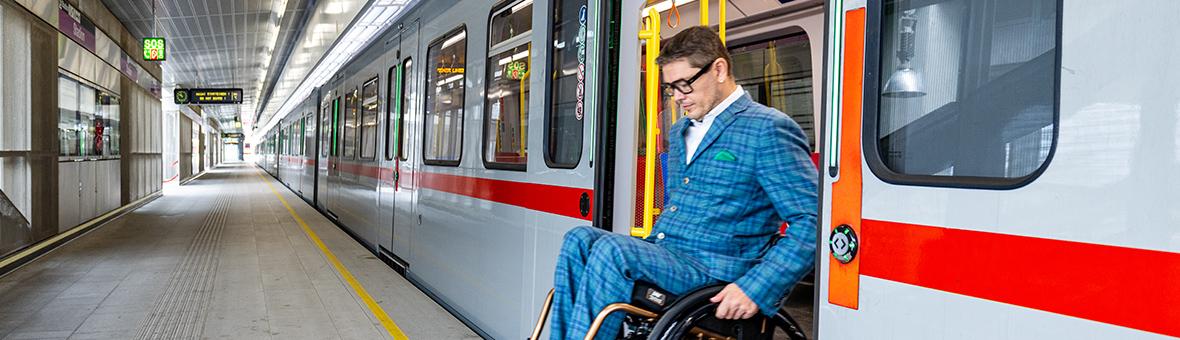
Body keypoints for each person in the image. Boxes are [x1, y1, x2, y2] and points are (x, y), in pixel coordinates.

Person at [548, 26, 817, 340]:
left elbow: (811, 220)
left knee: (612, 251)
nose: (676, 97)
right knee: (578, 238)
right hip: (670, 256)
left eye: (684, 85)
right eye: (670, 88)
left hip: (716, 271)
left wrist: (755, 288)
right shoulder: (679, 132)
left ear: (719, 69)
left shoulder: (768, 129)